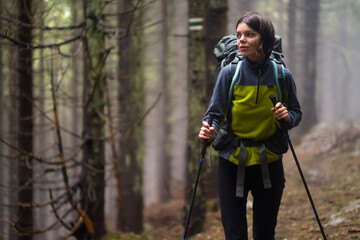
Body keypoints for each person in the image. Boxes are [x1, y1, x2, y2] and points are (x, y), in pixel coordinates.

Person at [198, 11, 302, 240]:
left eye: (249, 34)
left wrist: (286, 117)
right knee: (235, 235)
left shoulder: (282, 76)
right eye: (238, 35)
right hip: (232, 160)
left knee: (265, 233)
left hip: (270, 160)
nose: (241, 40)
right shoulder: (229, 73)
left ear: (264, 40)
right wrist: (209, 128)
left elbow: (296, 113)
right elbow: (214, 113)